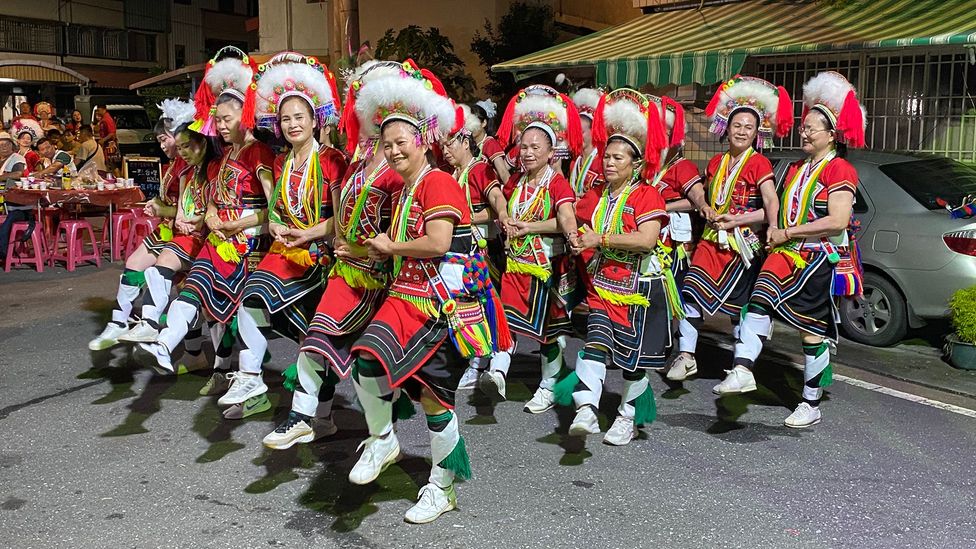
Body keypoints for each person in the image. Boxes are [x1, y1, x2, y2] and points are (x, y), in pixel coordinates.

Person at [348, 61, 500, 524]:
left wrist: (391, 245)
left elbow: (436, 244)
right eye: (386, 143)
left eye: (401, 142)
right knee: (364, 358)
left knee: (435, 400)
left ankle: (443, 486)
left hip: (441, 307)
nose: (392, 150)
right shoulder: (404, 188)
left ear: (423, 141)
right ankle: (383, 440)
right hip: (405, 298)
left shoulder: (439, 182)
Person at [265, 59, 405, 449]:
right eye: (359, 109)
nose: (363, 119)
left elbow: (403, 231)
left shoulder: (398, 172)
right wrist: (323, 238)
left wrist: (364, 248)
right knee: (323, 338)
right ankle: (309, 417)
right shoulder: (357, 166)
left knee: (369, 361)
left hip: (379, 278)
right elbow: (339, 218)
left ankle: (376, 434)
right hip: (345, 272)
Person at [714, 71, 866, 428]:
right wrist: (739, 220)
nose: (805, 132)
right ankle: (742, 368)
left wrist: (789, 232)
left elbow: (838, 220)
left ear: (831, 135)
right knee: (759, 297)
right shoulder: (796, 168)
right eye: (804, 126)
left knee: (810, 333)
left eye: (813, 128)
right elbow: (774, 209)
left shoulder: (840, 169)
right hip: (786, 253)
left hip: (816, 257)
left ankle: (811, 403)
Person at [220, 52, 348, 436]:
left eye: (299, 117)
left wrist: (308, 234)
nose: (293, 124)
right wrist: (275, 226)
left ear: (314, 120)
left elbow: (342, 219)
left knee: (316, 339)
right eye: (286, 118)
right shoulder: (280, 163)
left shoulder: (333, 160)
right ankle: (250, 375)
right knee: (253, 296)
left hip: (319, 258)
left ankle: (322, 416)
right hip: (285, 254)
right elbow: (275, 208)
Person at [138, 47, 274, 406]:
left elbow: (273, 210)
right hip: (221, 240)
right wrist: (213, 213)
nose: (221, 124)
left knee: (243, 310)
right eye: (218, 117)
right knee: (195, 287)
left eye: (227, 118)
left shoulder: (258, 153)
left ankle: (246, 376)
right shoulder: (226, 153)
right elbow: (215, 196)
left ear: (245, 115)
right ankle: (166, 343)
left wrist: (235, 224)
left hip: (248, 246)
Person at [557, 88, 672, 445]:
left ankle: (627, 417)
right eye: (607, 156)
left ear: (635, 164)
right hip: (603, 286)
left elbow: (646, 240)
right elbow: (574, 220)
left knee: (632, 361)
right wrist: (576, 237)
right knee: (594, 342)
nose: (608, 163)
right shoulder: (596, 194)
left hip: (639, 289)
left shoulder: (647, 195)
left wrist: (599, 240)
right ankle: (587, 409)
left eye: (618, 158)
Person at [669, 76, 792, 383]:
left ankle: (741, 365)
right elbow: (712, 198)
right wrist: (707, 209)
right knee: (689, 293)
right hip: (711, 241)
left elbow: (770, 202)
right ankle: (686, 356)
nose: (741, 131)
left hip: (741, 245)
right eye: (737, 125)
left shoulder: (759, 163)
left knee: (739, 306)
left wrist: (767, 226)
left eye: (749, 127)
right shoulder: (715, 163)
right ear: (727, 126)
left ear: (756, 133)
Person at [478, 85, 582, 413]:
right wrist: (507, 218)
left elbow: (565, 216)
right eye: (523, 146)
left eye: (535, 147)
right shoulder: (517, 181)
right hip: (516, 264)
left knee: (548, 333)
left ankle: (550, 384)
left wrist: (541, 228)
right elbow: (503, 205)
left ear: (552, 152)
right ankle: (497, 371)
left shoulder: (557, 183)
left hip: (547, 265)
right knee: (505, 317)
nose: (527, 152)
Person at [90, 99, 204, 351]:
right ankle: (120, 322)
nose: (162, 145)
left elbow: (189, 211)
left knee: (185, 292)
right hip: (168, 230)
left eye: (165, 139)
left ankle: (191, 349)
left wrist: (162, 208)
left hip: (190, 234)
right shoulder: (175, 164)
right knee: (134, 264)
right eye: (160, 140)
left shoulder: (192, 166)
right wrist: (159, 206)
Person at [439, 104, 503, 390]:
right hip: (454, 253)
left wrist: (504, 215)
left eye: (450, 144)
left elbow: (496, 202)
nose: (445, 151)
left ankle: (481, 363)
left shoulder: (480, 170)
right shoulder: (448, 174)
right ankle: (468, 358)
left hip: (480, 253)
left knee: (476, 306)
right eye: (442, 146)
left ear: (466, 141)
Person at [568, 88, 604, 197]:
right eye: (575, 132)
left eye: (581, 132)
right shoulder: (574, 161)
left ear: (593, 131)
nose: (577, 136)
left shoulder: (601, 161)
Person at [0, 132, 29, 262]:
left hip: (16, 205)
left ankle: (3, 251)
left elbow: (18, 173)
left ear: (12, 146)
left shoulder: (17, 158)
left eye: (6, 144)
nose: (3, 147)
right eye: (0, 145)